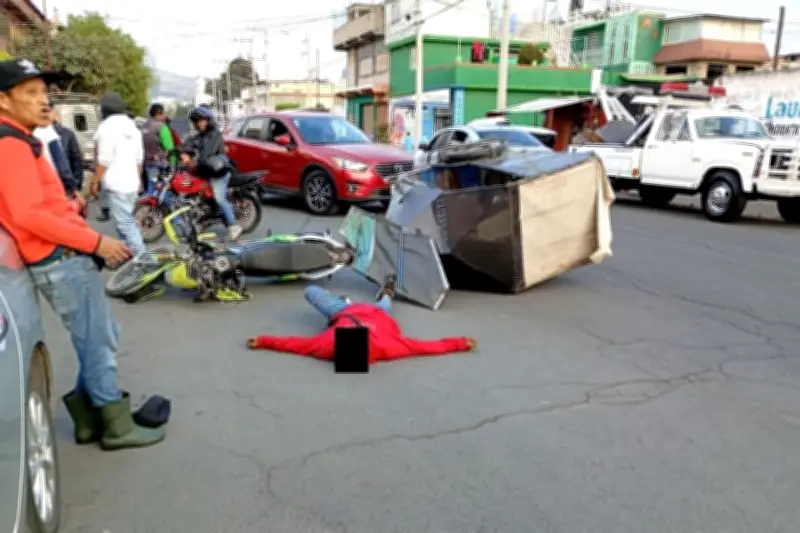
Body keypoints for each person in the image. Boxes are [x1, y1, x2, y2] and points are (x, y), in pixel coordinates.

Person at [0, 58, 164, 450]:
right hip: (59, 258)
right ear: (4, 100)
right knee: (98, 343)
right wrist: (96, 243)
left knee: (99, 337)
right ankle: (115, 426)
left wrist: (74, 215)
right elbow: (27, 213)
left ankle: (90, 421)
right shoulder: (9, 144)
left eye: (44, 93)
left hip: (61, 253)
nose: (43, 101)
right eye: (30, 93)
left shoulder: (21, 138)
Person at [247, 275, 477, 361]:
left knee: (311, 291)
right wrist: (460, 343)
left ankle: (350, 299)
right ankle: (386, 293)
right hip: (377, 313)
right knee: (386, 302)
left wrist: (263, 340)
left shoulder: (327, 345)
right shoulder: (388, 346)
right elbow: (427, 346)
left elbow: (295, 344)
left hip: (342, 312)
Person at [89, 92, 147, 259]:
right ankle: (129, 258)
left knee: (126, 225)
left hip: (116, 185)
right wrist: (139, 180)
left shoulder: (106, 128)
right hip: (131, 184)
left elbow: (103, 160)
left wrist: (95, 181)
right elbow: (139, 159)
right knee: (125, 223)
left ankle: (144, 261)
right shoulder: (133, 128)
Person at [181, 106, 242, 239]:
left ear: (208, 120)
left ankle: (233, 226)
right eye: (198, 121)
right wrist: (182, 151)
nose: (200, 123)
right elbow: (190, 142)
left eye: (203, 120)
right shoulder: (201, 135)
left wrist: (192, 162)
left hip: (219, 172)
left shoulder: (214, 134)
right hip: (207, 171)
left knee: (219, 198)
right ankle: (204, 219)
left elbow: (206, 155)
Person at [141, 103, 174, 195]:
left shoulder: (144, 127)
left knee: (152, 187)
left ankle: (149, 208)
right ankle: (167, 208)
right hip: (161, 164)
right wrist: (173, 163)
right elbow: (170, 148)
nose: (164, 116)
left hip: (149, 164)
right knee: (164, 189)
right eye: (163, 114)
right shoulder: (161, 127)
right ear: (158, 114)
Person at [52, 103, 85, 190]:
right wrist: (77, 185)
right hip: (66, 184)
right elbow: (77, 160)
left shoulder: (34, 133)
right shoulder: (67, 133)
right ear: (56, 117)